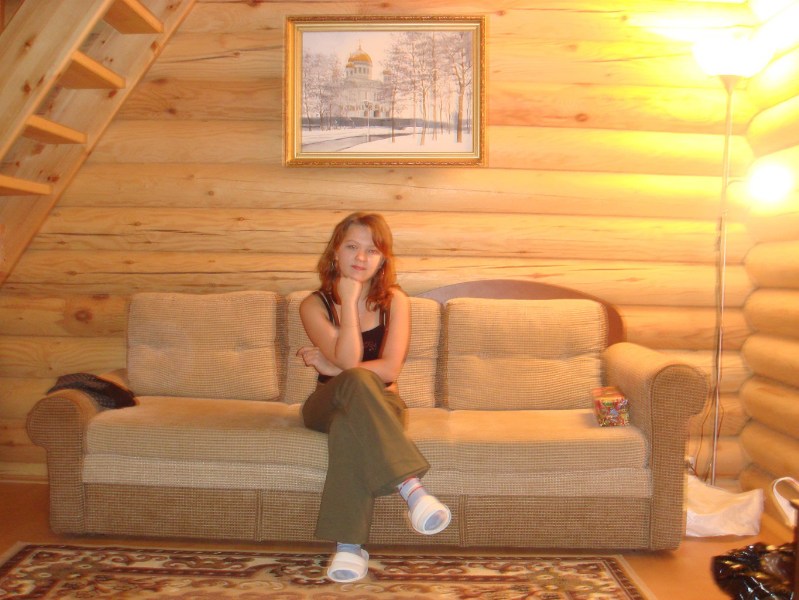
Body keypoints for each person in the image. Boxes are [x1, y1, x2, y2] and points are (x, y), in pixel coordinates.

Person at [297, 212, 451, 583]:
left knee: (349, 427)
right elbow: (354, 363)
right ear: (335, 252)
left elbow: (390, 369)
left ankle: (349, 546)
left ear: (383, 259)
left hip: (382, 405)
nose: (361, 257)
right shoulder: (313, 305)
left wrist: (332, 367)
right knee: (354, 382)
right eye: (352, 246)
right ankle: (410, 487)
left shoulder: (395, 301)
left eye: (372, 250)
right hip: (325, 404)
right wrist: (349, 303)